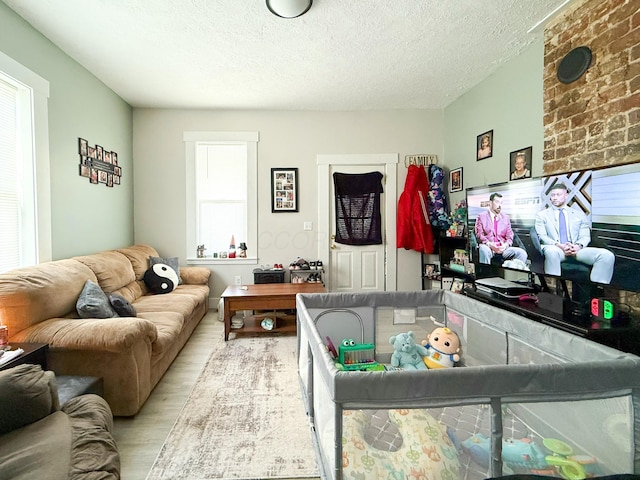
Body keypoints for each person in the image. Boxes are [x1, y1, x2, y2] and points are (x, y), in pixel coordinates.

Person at [534, 183, 614, 284]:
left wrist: (578, 246)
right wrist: (560, 245)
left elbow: (585, 236)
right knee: (552, 252)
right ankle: (553, 288)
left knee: (607, 255)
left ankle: (597, 290)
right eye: (552, 195)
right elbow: (542, 237)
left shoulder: (579, 215)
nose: (554, 198)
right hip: (555, 247)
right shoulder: (542, 215)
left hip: (575, 249)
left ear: (566, 195)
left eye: (558, 195)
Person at [474, 192, 528, 265]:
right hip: (488, 246)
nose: (499, 205)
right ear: (490, 203)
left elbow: (510, 236)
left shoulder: (506, 218)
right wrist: (490, 245)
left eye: (501, 203)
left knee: (522, 253)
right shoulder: (481, 216)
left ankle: (513, 274)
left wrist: (505, 245)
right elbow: (479, 235)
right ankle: (485, 274)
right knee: (483, 249)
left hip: (503, 248)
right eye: (497, 202)